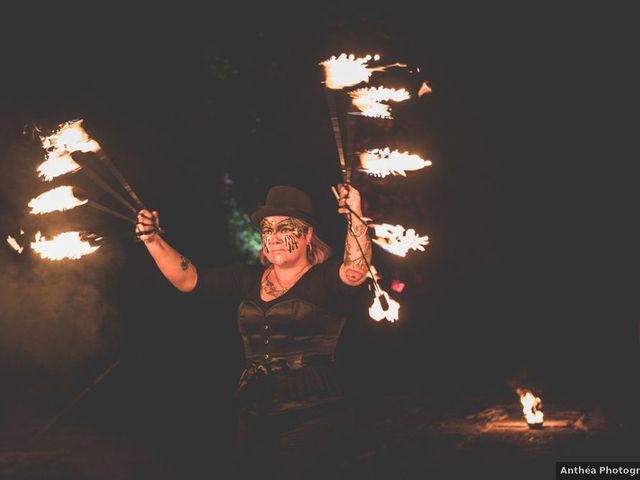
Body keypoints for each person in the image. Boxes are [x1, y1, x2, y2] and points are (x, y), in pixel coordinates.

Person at [136, 184, 371, 478]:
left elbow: (356, 270)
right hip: (255, 411)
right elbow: (188, 279)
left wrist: (355, 217)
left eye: (285, 228)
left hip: (315, 413)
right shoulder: (246, 278)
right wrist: (152, 239)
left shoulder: (325, 280)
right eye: (267, 229)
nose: (273, 238)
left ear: (309, 234)